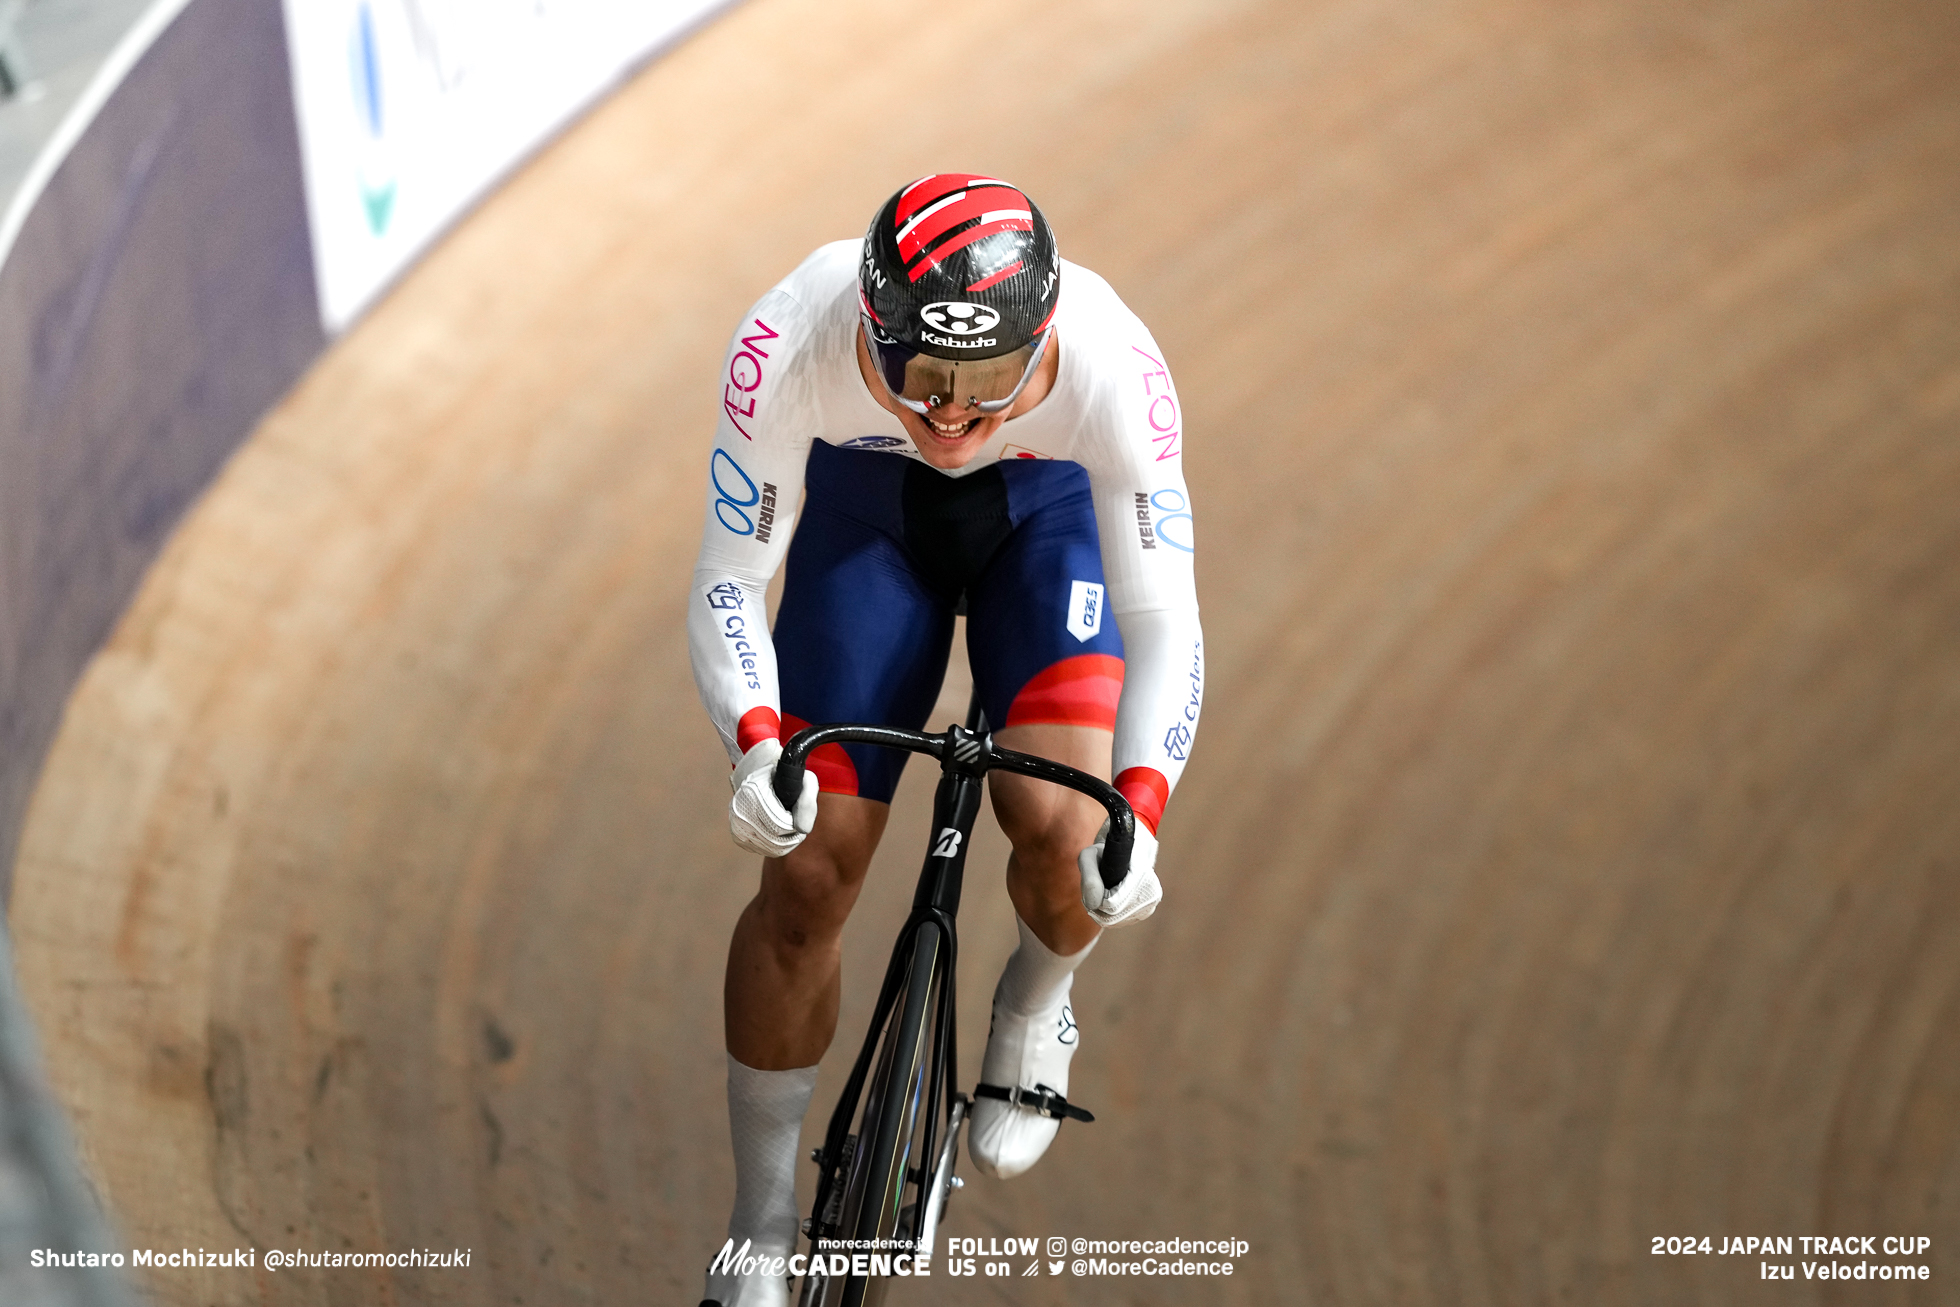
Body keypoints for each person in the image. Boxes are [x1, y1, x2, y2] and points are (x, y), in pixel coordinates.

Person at [688, 173, 1203, 1307]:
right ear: (869, 329)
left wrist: (1143, 809)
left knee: (1071, 832)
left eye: (989, 384)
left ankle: (1036, 994)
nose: (954, 419)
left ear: (1046, 338)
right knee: (808, 871)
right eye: (922, 380)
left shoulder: (1117, 367)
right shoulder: (791, 335)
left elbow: (1167, 619)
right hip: (871, 518)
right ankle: (761, 1220)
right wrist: (754, 739)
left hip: (1045, 523)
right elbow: (731, 575)